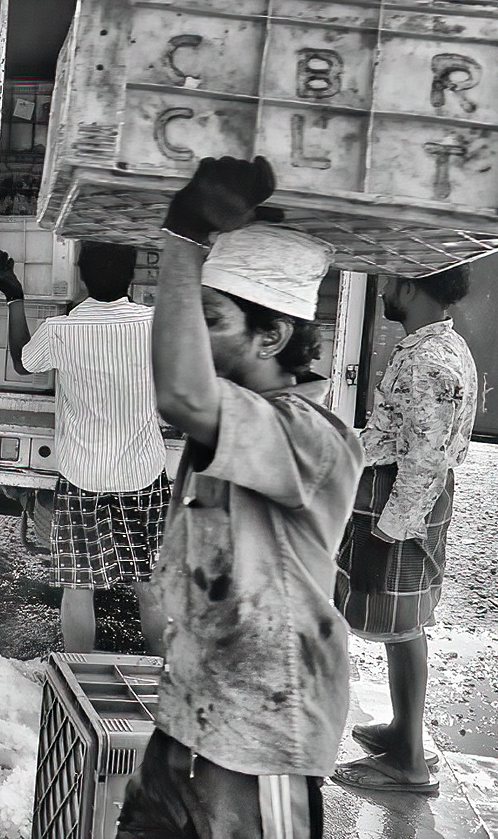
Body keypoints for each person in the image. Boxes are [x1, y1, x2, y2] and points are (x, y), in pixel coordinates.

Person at [116, 156, 363, 838]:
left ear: (272, 335)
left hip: (264, 745)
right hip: (187, 725)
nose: (194, 338)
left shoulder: (312, 438)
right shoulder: (226, 431)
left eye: (212, 320)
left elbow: (183, 392)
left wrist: (184, 237)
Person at [332, 267, 477, 797]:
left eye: (391, 283)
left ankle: (410, 763)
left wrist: (386, 534)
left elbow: (423, 462)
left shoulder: (428, 361)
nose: (386, 292)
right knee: (400, 623)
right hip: (396, 495)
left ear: (412, 288)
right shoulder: (436, 345)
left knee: (403, 623)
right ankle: (401, 732)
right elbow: (403, 439)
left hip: (401, 502)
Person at [0, 241, 168, 654]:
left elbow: (22, 361)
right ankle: (163, 679)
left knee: (79, 586)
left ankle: (80, 679)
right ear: (134, 276)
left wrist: (15, 297)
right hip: (144, 474)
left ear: (81, 277)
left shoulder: (61, 330)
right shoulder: (157, 324)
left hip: (81, 477)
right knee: (150, 584)